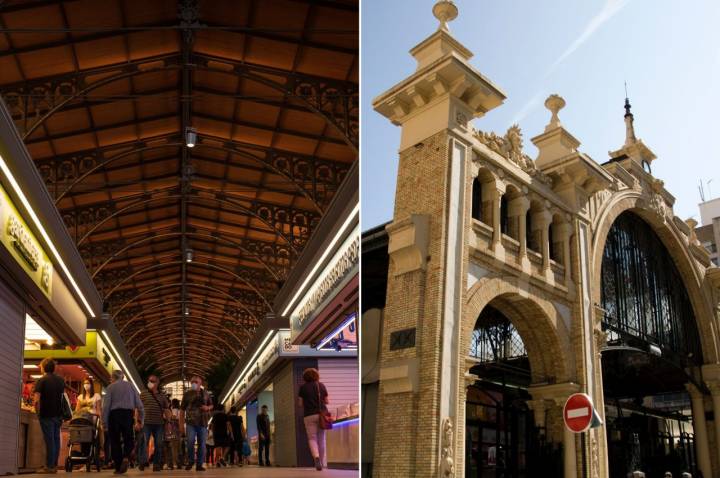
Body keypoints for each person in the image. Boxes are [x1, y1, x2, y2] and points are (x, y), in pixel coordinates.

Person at [102, 370, 144, 475]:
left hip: (114, 416)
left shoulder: (110, 388)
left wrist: (104, 423)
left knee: (115, 441)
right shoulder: (131, 386)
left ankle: (118, 466)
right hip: (128, 415)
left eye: (110, 377)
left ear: (113, 377)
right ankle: (126, 457)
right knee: (128, 438)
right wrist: (140, 420)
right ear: (122, 377)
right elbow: (139, 405)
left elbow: (106, 407)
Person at [33, 358, 65, 474]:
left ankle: (49, 466)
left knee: (49, 440)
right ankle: (54, 465)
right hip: (58, 415)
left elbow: (36, 400)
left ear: (43, 367)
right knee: (56, 440)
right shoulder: (61, 381)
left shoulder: (41, 381)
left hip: (46, 414)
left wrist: (37, 413)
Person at [298, 368, 329, 471]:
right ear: (316, 376)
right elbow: (327, 401)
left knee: (312, 438)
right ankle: (322, 461)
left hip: (308, 415)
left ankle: (316, 458)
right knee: (322, 438)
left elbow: (300, 403)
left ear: (305, 377)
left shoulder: (302, 388)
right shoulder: (321, 386)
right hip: (321, 415)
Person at [179, 375, 213, 471]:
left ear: (200, 383)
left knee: (202, 444)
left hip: (203, 422)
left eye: (195, 382)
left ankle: (199, 464)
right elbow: (182, 410)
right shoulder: (187, 394)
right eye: (192, 382)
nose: (193, 383)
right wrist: (181, 425)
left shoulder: (206, 394)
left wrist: (208, 408)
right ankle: (190, 461)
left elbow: (211, 405)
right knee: (190, 442)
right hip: (190, 423)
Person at [138, 375, 169, 471]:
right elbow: (138, 408)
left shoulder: (162, 396)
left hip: (159, 423)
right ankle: (143, 462)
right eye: (149, 380)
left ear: (157, 383)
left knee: (159, 444)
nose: (150, 382)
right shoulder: (143, 394)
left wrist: (168, 422)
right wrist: (138, 421)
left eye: (152, 381)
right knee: (144, 443)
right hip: (146, 422)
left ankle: (156, 464)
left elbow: (166, 409)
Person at [73, 377, 103, 459]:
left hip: (92, 420)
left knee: (92, 439)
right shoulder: (80, 397)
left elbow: (98, 410)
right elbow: (77, 410)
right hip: (82, 421)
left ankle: (92, 457)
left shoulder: (96, 396)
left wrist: (100, 421)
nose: (86, 385)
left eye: (88, 383)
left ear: (91, 385)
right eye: (85, 383)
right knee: (83, 438)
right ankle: (84, 456)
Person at [163, 399, 182, 470]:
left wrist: (168, 416)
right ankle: (178, 463)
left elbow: (173, 417)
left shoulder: (174, 410)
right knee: (177, 447)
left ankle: (174, 463)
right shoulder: (180, 410)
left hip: (172, 431)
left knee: (173, 447)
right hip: (177, 431)